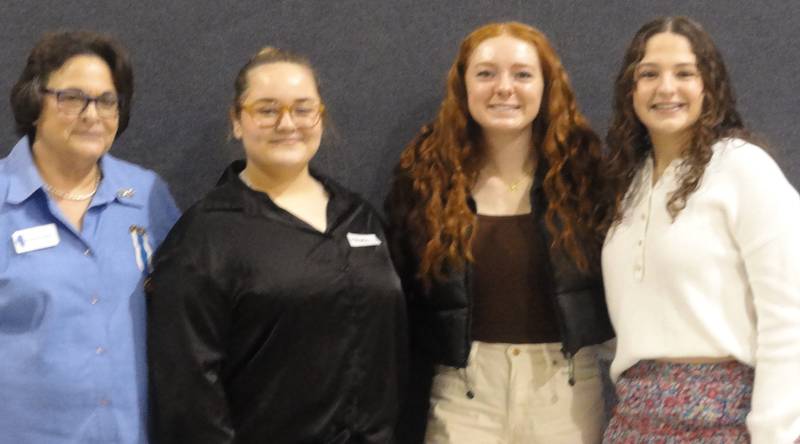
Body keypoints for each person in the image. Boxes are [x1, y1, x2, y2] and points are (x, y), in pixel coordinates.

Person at [146, 47, 407, 443]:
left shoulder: (360, 217)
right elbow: (187, 386)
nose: (288, 124)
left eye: (303, 109)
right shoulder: (205, 235)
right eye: (267, 110)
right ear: (237, 121)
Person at [386, 21, 614, 443]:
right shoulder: (425, 180)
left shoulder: (586, 178)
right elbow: (400, 300)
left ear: (547, 87)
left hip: (564, 392)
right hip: (464, 392)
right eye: (486, 73)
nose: (504, 87)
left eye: (523, 74)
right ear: (463, 85)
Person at [602, 16, 800, 444]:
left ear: (708, 84)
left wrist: (775, 433)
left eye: (684, 73)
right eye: (649, 73)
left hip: (726, 424)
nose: (666, 88)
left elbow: (789, 317)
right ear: (630, 89)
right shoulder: (630, 185)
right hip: (633, 422)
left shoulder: (743, 168)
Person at [0, 31, 180, 443]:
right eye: (72, 97)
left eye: (106, 100)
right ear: (33, 103)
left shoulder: (148, 197)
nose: (92, 114)